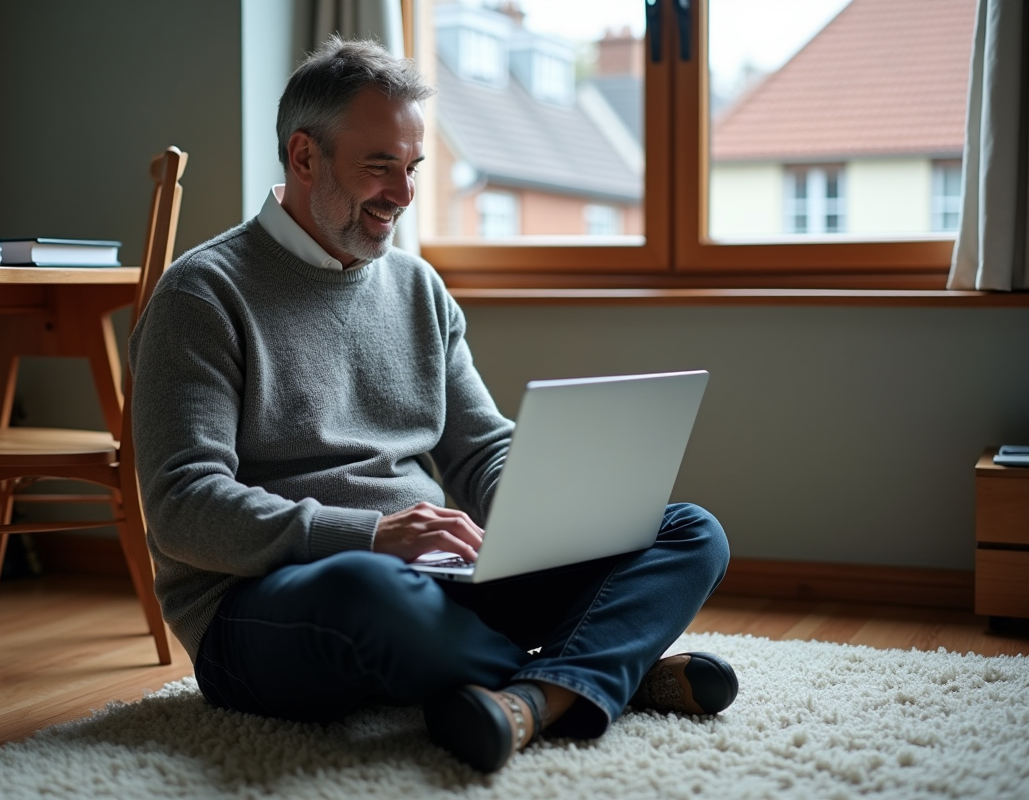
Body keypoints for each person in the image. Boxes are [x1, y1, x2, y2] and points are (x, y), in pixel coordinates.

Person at [129, 37, 737, 774]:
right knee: (368, 589)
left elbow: (482, 450)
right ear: (303, 156)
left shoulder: (418, 290)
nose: (404, 193)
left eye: (412, 167)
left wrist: (551, 514)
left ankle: (538, 697)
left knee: (687, 530)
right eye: (379, 165)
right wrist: (371, 535)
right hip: (272, 606)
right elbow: (184, 509)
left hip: (436, 583)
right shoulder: (204, 295)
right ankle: (610, 672)